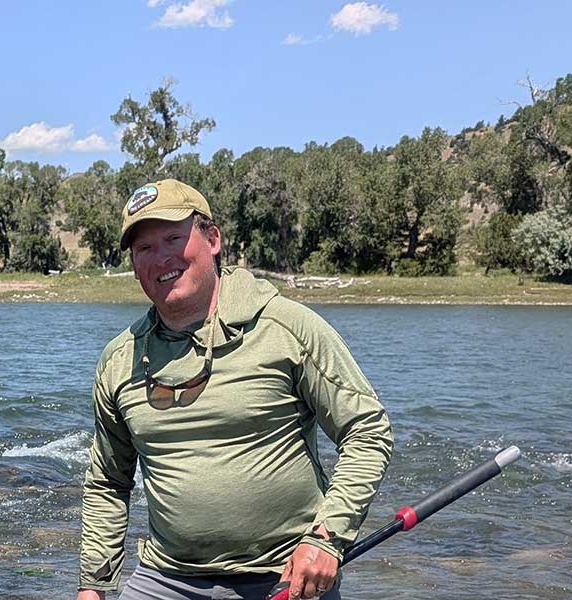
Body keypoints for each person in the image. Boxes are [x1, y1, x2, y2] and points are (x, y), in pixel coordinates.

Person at [76, 179, 393, 600]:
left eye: (173, 237)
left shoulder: (288, 328)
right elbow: (108, 482)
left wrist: (327, 537)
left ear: (212, 239)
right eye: (144, 248)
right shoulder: (119, 361)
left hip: (285, 576)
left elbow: (367, 431)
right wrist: (93, 587)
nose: (161, 258)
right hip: (165, 578)